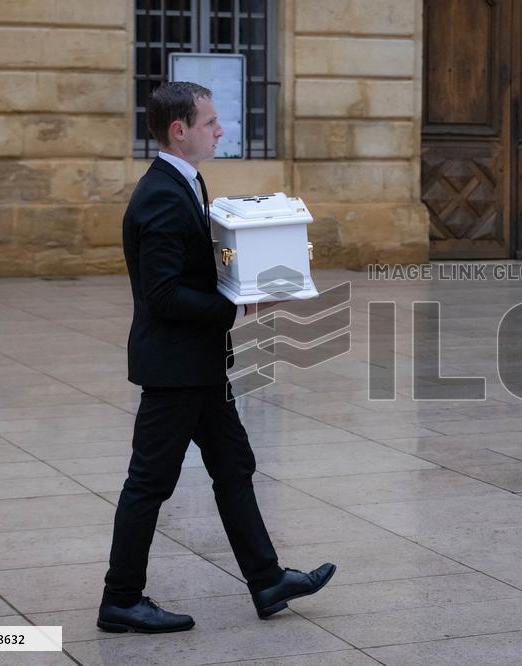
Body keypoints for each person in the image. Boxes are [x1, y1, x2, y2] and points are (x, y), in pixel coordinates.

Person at [97, 81, 335, 634]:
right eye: (210, 122)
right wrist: (241, 306)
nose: (220, 130)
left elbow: (198, 266)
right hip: (175, 368)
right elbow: (163, 294)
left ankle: (268, 579)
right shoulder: (160, 194)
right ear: (179, 131)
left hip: (198, 364)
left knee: (234, 466)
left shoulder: (188, 182)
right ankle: (120, 599)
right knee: (149, 483)